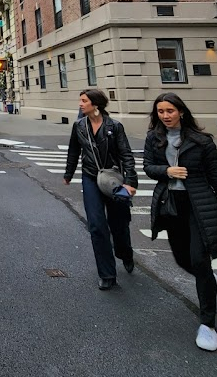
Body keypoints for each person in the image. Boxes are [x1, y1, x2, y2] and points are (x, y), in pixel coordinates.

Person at [143, 92, 217, 353]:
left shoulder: (202, 142)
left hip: (199, 206)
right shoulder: (154, 138)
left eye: (170, 110)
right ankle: (209, 280)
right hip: (170, 206)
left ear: (181, 111)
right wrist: (166, 171)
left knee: (200, 260)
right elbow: (147, 167)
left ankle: (208, 325)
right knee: (183, 259)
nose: (165, 116)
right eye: (160, 111)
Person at [63, 88, 138, 291]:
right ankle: (107, 274)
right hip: (90, 177)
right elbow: (74, 151)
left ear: (95, 104)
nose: (80, 104)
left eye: (84, 100)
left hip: (113, 179)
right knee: (96, 225)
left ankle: (125, 253)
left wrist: (131, 182)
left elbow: (126, 155)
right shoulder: (79, 126)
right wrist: (68, 174)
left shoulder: (114, 126)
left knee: (118, 223)